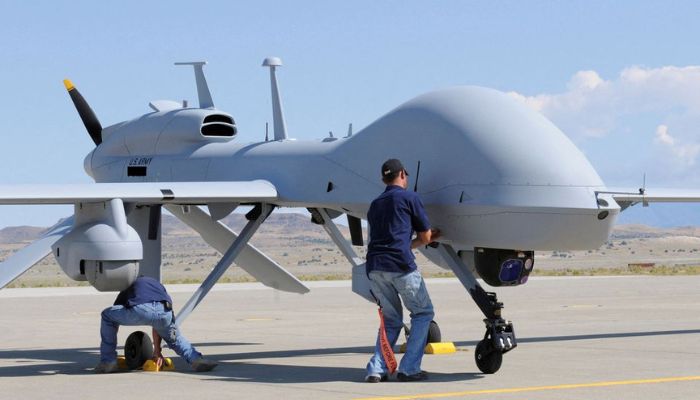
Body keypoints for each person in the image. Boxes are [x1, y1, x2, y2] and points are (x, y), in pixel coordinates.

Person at [364, 158, 440, 383]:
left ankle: (376, 369)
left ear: (383, 179)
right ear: (403, 175)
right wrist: (426, 239)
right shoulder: (410, 198)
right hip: (401, 266)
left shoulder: (375, 204)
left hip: (375, 268)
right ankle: (409, 368)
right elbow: (425, 237)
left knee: (390, 320)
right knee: (423, 313)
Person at [94, 276, 218, 373]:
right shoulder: (156, 284)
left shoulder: (130, 284)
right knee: (175, 339)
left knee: (107, 316)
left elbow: (118, 308)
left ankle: (108, 362)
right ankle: (196, 360)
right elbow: (155, 323)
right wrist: (157, 352)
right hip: (165, 312)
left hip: (141, 309)